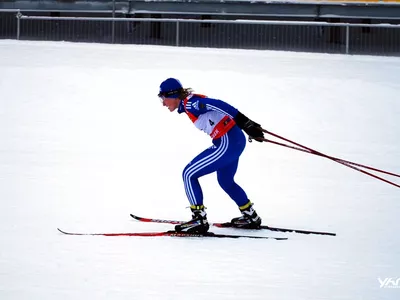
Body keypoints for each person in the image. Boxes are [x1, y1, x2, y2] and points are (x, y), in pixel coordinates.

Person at [158, 78, 265, 234]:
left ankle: (198, 219)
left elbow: (217, 104)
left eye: (163, 98)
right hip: (234, 141)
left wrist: (246, 123)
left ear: (173, 95)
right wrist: (246, 125)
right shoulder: (189, 103)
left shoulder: (191, 103)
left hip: (227, 142)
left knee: (188, 174)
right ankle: (250, 216)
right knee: (226, 181)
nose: (163, 103)